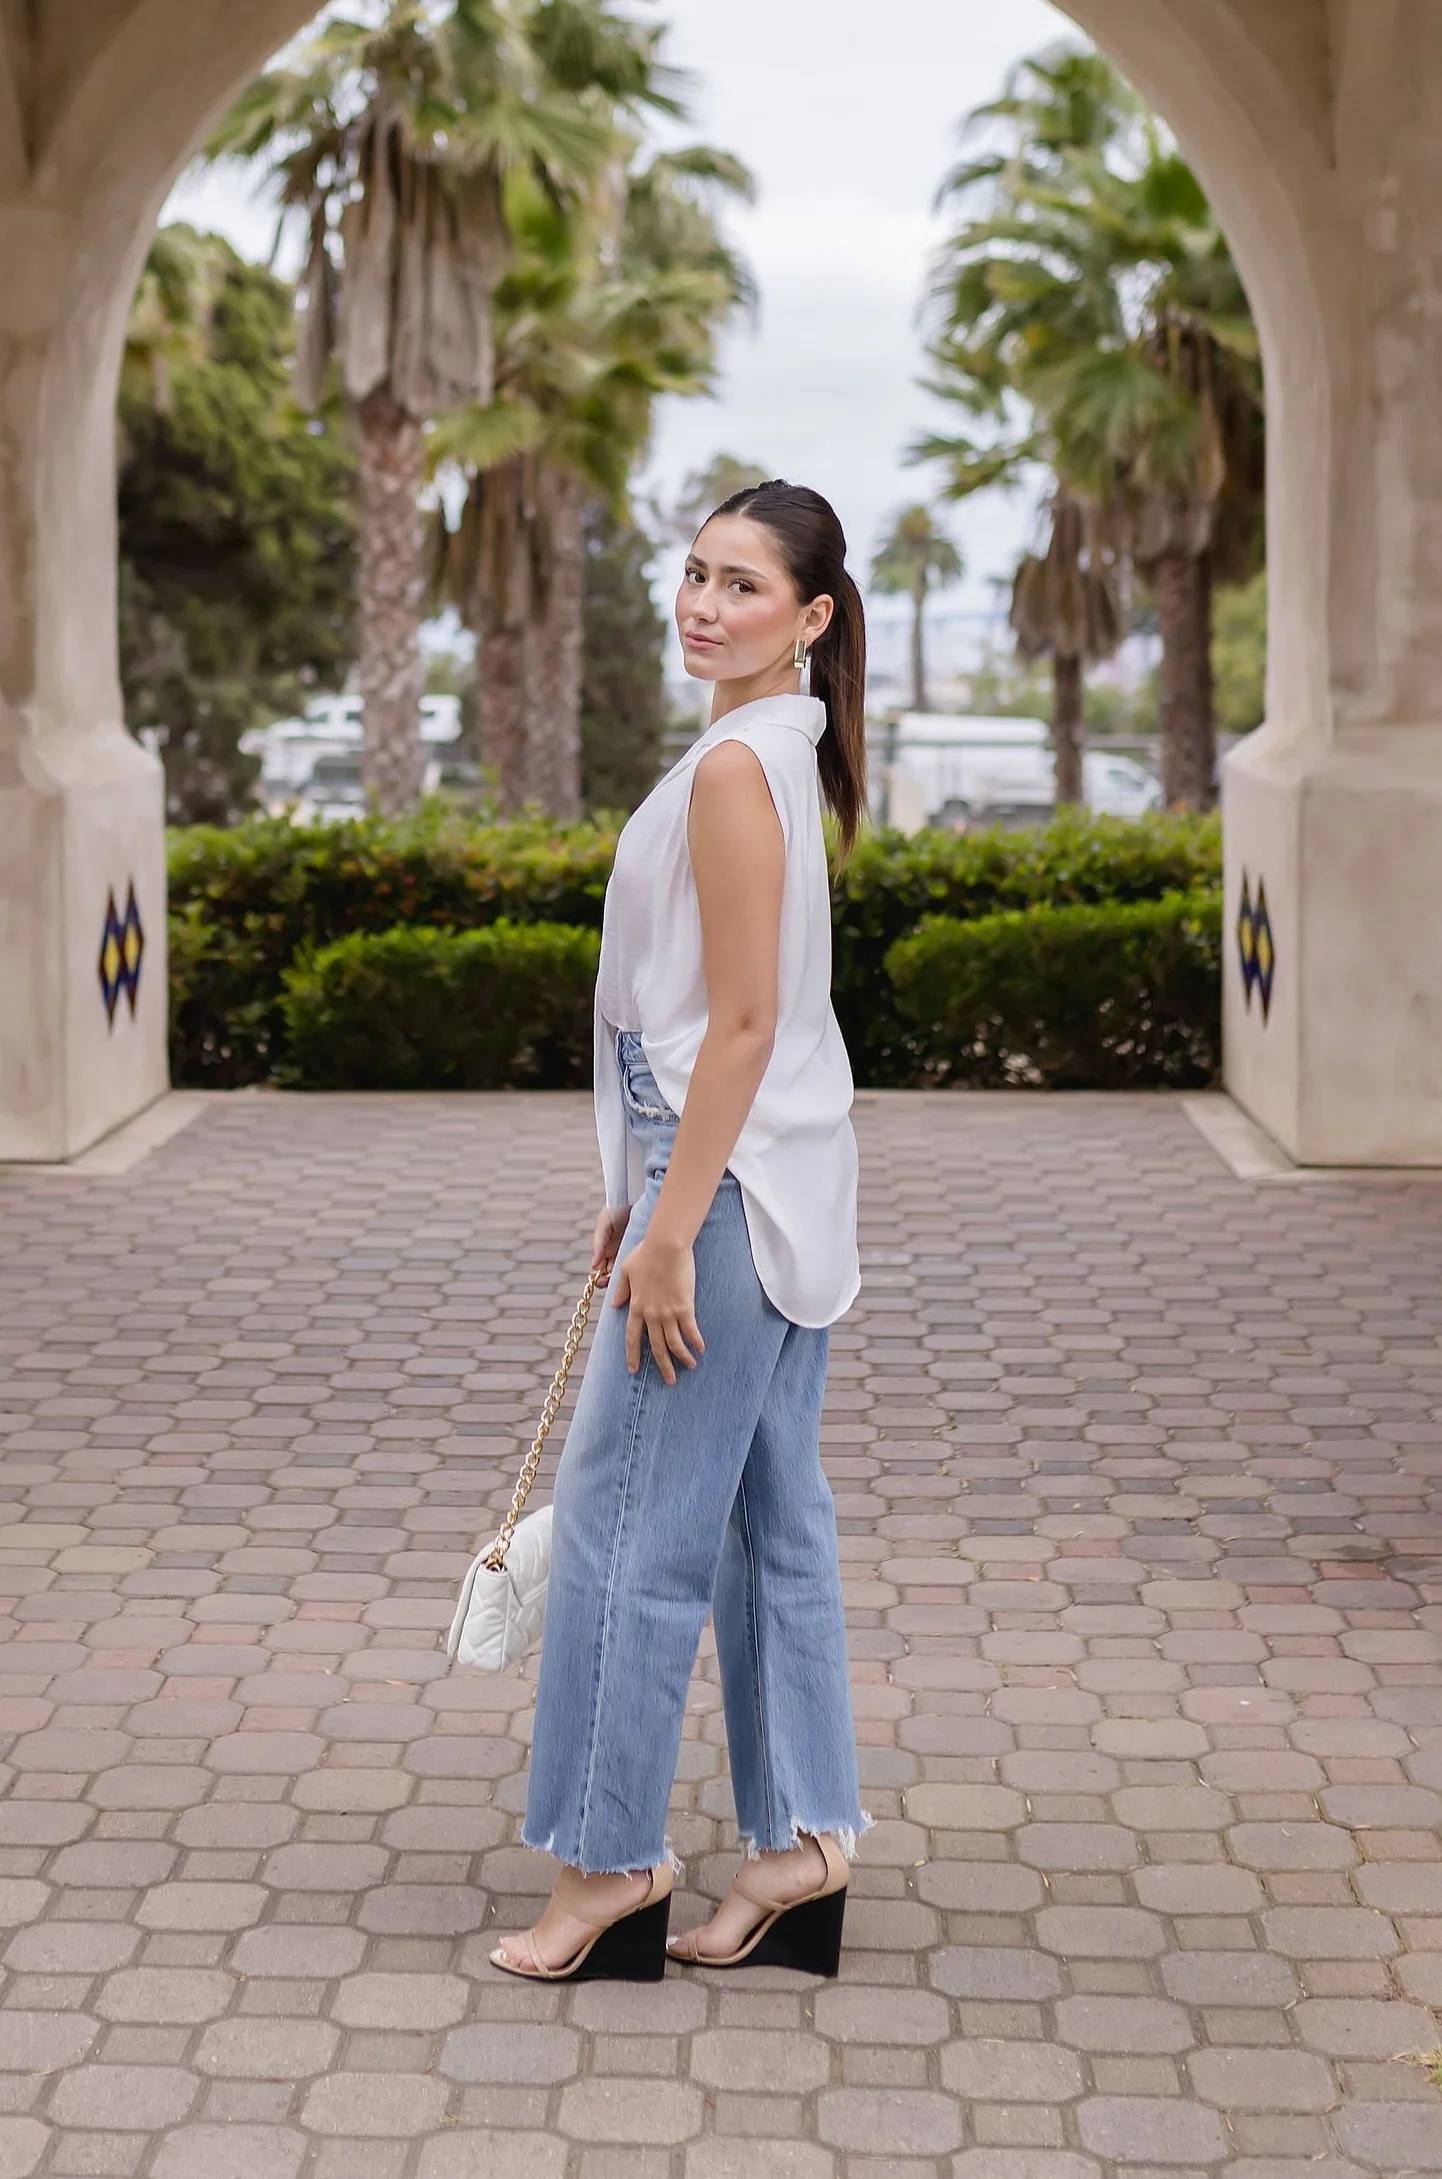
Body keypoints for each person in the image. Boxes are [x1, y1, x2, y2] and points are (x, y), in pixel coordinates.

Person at [490, 480, 870, 1984]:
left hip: (719, 1185)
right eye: (695, 573)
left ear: (813, 617)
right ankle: (800, 1844)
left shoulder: (734, 769)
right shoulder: (778, 752)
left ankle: (607, 1861)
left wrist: (666, 1220)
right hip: (770, 1176)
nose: (704, 605)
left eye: (744, 587)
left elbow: (742, 1022)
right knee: (770, 1523)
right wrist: (635, 1184)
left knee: (623, 1527)